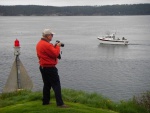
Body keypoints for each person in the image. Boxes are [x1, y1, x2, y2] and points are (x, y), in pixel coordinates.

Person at [36, 29, 68, 108]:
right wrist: (57, 46)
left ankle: (45, 101)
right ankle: (60, 104)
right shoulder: (47, 45)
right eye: (51, 35)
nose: (52, 36)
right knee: (56, 85)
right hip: (50, 68)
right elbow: (55, 54)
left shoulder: (40, 43)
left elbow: (45, 53)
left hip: (43, 67)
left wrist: (53, 46)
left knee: (47, 85)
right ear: (47, 36)